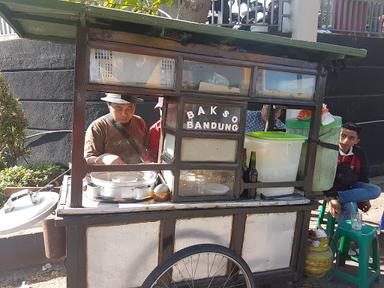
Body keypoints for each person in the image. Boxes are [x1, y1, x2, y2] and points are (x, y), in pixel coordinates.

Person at [326, 122, 381, 220]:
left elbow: (364, 177)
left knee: (375, 190)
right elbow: (324, 178)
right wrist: (331, 197)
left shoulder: (360, 153)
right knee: (350, 206)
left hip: (351, 187)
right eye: (343, 135)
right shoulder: (329, 151)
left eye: (351, 138)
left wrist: (364, 198)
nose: (346, 140)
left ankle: (338, 198)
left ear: (357, 141)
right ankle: (349, 232)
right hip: (332, 187)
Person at [84, 93, 148, 165]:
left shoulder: (139, 122)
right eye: (118, 108)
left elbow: (145, 150)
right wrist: (103, 158)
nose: (124, 113)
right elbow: (87, 160)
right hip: (107, 174)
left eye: (129, 108)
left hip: (136, 173)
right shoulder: (98, 127)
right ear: (109, 105)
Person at [148, 97, 163, 162]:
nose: (167, 113)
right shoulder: (155, 130)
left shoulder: (193, 126)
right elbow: (153, 159)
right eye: (162, 109)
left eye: (173, 110)